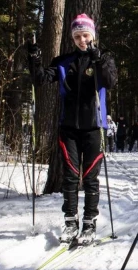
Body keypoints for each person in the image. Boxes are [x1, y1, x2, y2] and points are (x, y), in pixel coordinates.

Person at [25, 13, 118, 245]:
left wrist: (97, 60)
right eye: (77, 36)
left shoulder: (104, 57)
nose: (82, 40)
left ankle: (89, 222)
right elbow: (40, 79)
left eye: (86, 35)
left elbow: (110, 81)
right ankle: (70, 222)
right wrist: (34, 59)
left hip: (94, 127)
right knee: (69, 176)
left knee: (90, 177)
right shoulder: (63, 61)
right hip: (68, 127)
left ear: (93, 35)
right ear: (72, 38)